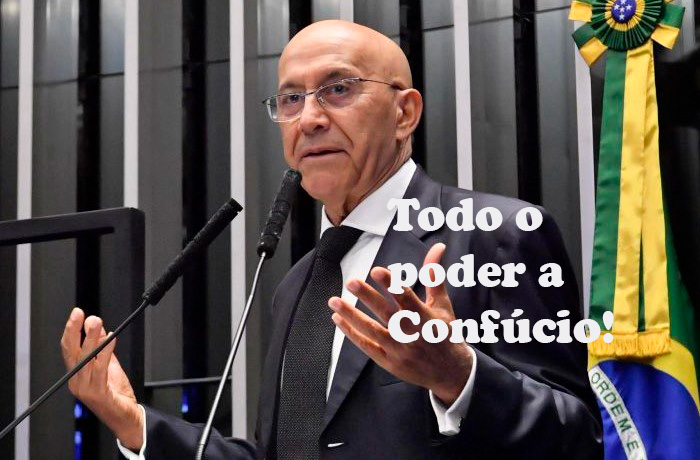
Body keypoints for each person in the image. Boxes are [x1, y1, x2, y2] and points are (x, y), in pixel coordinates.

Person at [61, 20, 602, 459]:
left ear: (404, 113)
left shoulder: (499, 235)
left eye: (338, 89)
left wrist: (459, 377)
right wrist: (133, 423)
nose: (309, 119)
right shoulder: (297, 284)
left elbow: (581, 437)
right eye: (290, 99)